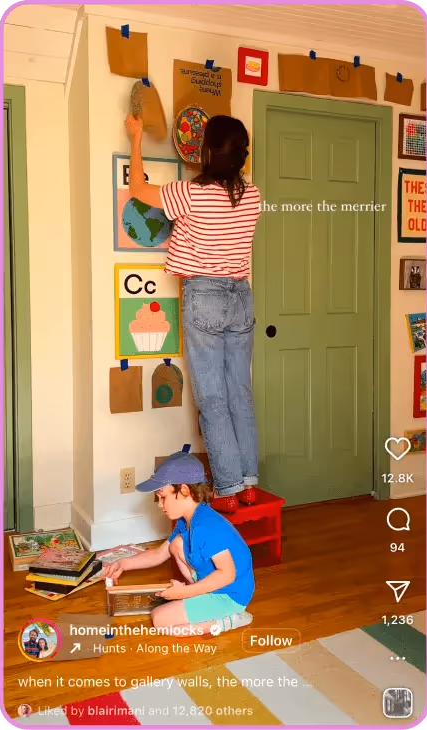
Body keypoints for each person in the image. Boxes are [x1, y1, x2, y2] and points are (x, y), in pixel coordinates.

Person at [125, 113, 261, 512]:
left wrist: (135, 137)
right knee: (240, 393)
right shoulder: (252, 196)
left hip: (203, 293)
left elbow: (136, 188)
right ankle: (250, 482)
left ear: (207, 151)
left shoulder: (190, 193)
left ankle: (229, 488)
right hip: (241, 297)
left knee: (214, 399)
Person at [102, 451, 254, 636]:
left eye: (163, 497)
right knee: (176, 544)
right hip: (214, 584)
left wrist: (185, 593)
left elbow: (227, 575)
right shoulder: (188, 521)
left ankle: (229, 620)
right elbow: (159, 554)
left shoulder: (207, 527)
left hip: (230, 594)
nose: (160, 504)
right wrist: (122, 564)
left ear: (184, 490)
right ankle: (200, 596)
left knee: (160, 620)